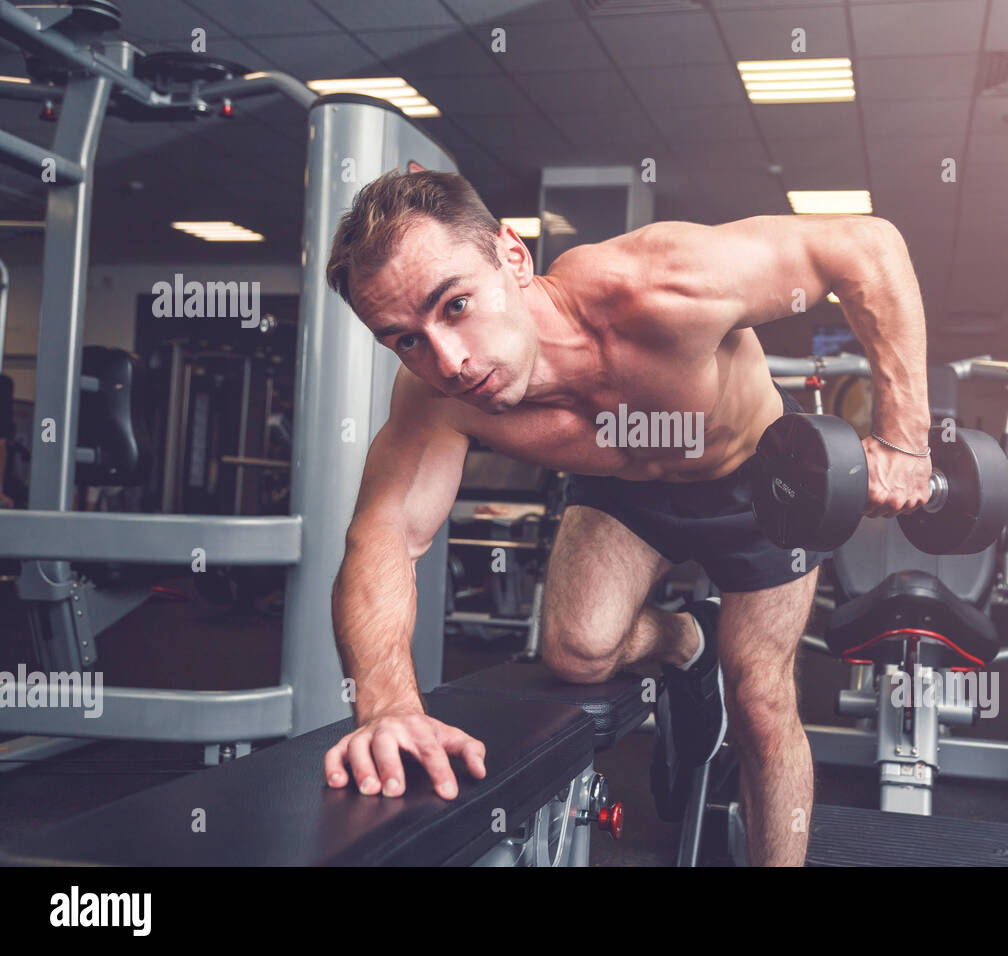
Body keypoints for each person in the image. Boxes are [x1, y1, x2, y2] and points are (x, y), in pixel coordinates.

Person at [321, 170, 931, 866]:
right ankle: (686, 641)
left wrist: (905, 435)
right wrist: (389, 705)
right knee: (576, 655)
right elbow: (385, 533)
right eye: (405, 340)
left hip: (761, 482)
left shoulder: (659, 285)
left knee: (761, 699)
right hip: (624, 492)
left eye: (455, 304)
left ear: (512, 257)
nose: (449, 361)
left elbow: (867, 248)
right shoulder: (433, 398)